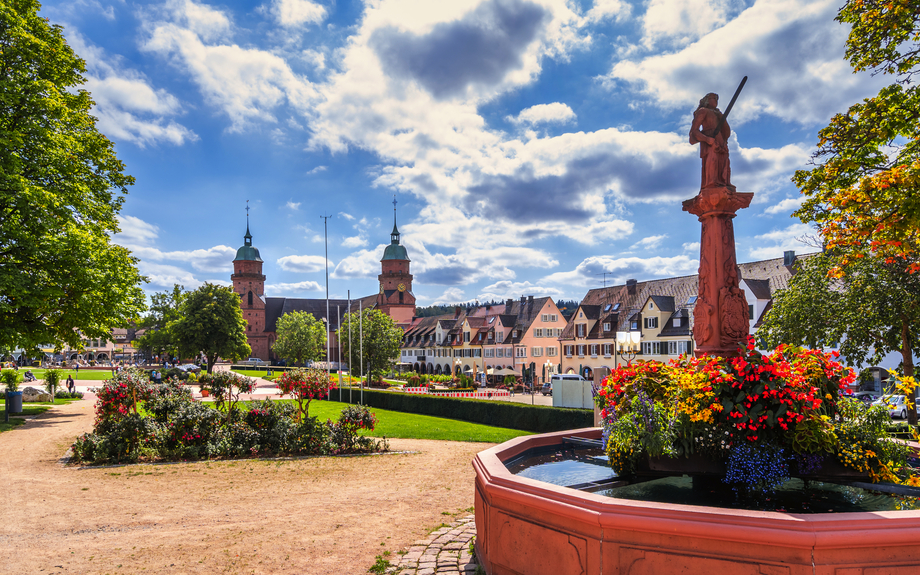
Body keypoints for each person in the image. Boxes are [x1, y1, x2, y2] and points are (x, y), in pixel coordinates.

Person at [689, 92, 732, 190]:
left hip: (721, 142)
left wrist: (721, 117)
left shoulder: (717, 114)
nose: (716, 100)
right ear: (707, 100)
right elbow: (694, 131)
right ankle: (711, 184)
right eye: (713, 98)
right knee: (712, 161)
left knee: (724, 163)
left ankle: (724, 183)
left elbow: (727, 133)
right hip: (710, 142)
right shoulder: (703, 111)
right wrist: (707, 139)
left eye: (717, 98)